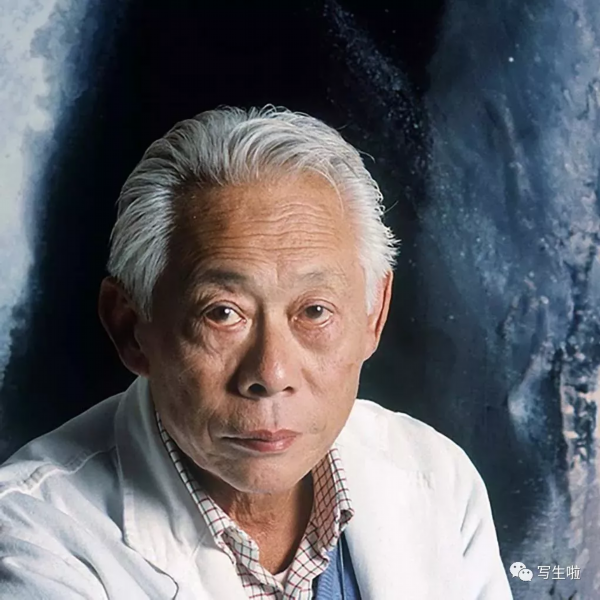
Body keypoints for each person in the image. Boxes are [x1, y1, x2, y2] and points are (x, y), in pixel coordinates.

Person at [0, 106, 513, 599]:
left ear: (373, 315)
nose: (271, 373)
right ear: (131, 329)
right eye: (223, 313)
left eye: (314, 311)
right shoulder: (34, 536)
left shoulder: (438, 478)